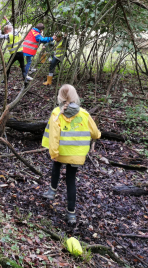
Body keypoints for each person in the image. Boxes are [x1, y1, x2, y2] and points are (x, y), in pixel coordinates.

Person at [41, 84, 100, 224]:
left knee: (56, 165)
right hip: (77, 154)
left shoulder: (57, 113)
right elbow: (96, 134)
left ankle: (52, 190)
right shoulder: (84, 114)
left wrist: (54, 153)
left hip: (61, 152)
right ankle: (71, 214)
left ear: (60, 97)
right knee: (71, 181)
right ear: (75, 96)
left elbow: (54, 136)